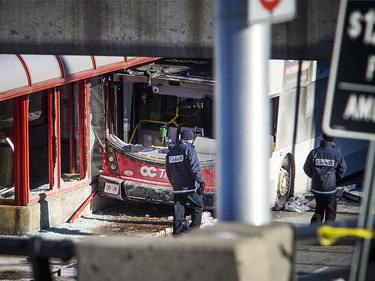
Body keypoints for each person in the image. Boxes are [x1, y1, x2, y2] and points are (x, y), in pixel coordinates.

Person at [166, 129, 205, 236]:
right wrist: (201, 182)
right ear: (191, 139)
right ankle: (193, 232)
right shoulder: (189, 150)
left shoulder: (171, 152)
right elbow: (194, 168)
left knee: (178, 209)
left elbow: (168, 172)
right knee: (198, 206)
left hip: (177, 187)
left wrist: (174, 183)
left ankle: (177, 232)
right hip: (190, 187)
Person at [303, 134, 347, 225]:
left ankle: (313, 231)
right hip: (330, 189)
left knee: (319, 208)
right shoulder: (336, 154)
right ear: (332, 141)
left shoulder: (314, 153)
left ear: (322, 139)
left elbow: (306, 168)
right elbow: (343, 168)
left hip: (317, 188)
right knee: (331, 211)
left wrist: (315, 177)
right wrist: (335, 178)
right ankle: (327, 233)